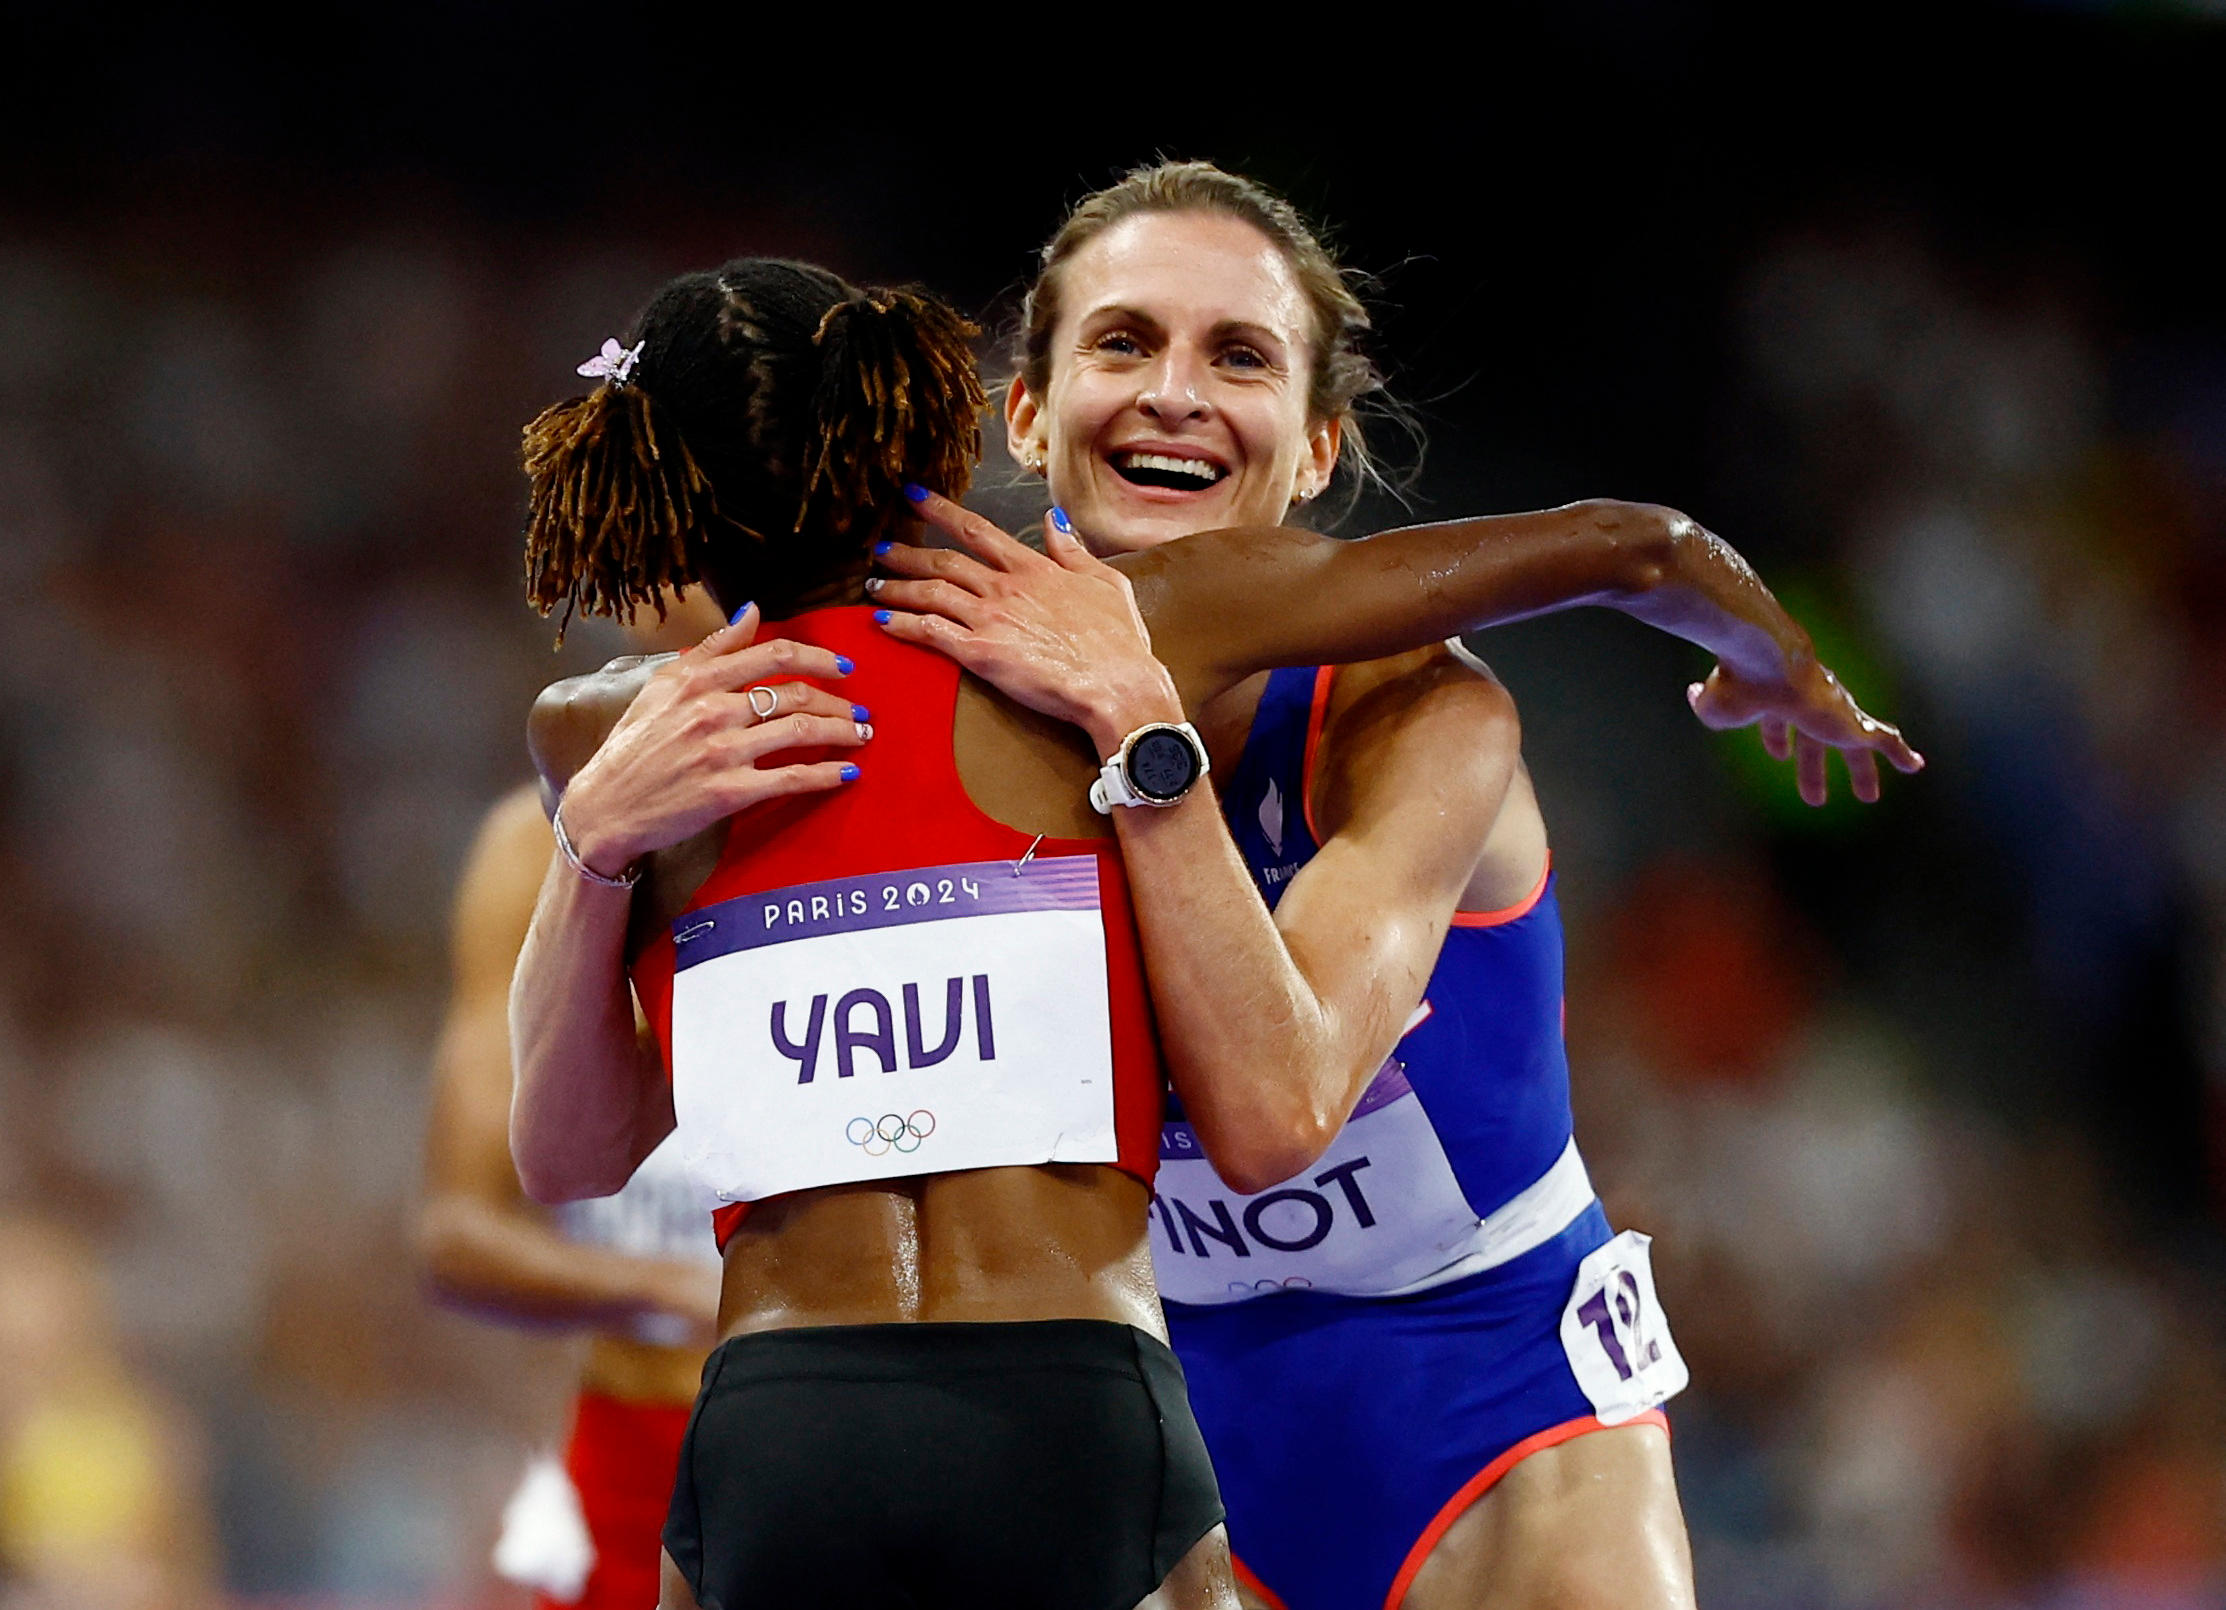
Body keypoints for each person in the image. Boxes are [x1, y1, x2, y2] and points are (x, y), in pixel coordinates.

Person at [507, 257, 1908, 1610]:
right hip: (1113, 1402)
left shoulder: (627, 732)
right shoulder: (1138, 627)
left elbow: (569, 1154)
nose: (1173, 393)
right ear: (993, 420)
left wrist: (585, 839)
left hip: (1447, 1386)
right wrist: (1773, 659)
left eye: (1235, 354)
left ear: (1315, 450)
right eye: (1123, 343)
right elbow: (1632, 543)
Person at [417, 592, 726, 1610]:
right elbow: (460, 1232)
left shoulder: (899, 800)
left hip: (866, 1435)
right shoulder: (526, 848)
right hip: (638, 1455)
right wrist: (685, 1291)